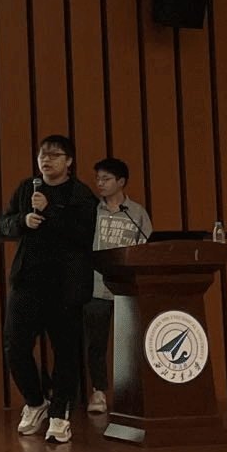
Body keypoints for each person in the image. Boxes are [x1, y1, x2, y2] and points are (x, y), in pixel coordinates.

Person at [0, 135, 98, 444]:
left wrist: (50, 209)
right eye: (43, 154)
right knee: (15, 347)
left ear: (69, 161)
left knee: (65, 352)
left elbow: (85, 234)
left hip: (65, 286)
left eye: (54, 155)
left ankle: (59, 415)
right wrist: (22, 220)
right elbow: (4, 223)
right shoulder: (27, 188)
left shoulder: (81, 194)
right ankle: (36, 402)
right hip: (27, 282)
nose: (46, 160)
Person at [87, 157, 152, 416]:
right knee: (97, 343)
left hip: (127, 289)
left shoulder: (136, 213)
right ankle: (99, 392)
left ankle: (132, 393)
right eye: (98, 179)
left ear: (121, 181)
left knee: (130, 343)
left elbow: (147, 247)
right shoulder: (93, 211)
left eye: (106, 179)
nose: (100, 183)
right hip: (96, 286)